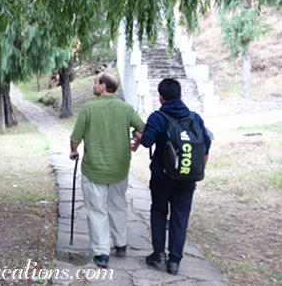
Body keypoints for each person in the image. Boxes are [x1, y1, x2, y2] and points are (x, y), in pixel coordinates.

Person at [133, 78, 211, 275]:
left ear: (160, 97)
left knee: (159, 211)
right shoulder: (195, 118)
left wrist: (137, 133)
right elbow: (205, 146)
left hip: (162, 177)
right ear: (181, 96)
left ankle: (158, 252)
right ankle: (174, 261)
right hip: (187, 179)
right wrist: (194, 175)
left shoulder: (158, 117)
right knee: (180, 217)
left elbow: (148, 142)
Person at [69, 72, 145, 268]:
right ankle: (120, 244)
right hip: (120, 168)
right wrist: (135, 143)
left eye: (95, 82)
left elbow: (75, 137)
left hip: (94, 169)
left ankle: (102, 252)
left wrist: (74, 151)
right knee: (118, 204)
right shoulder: (126, 109)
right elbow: (142, 130)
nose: (93, 85)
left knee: (96, 210)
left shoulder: (88, 109)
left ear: (103, 86)